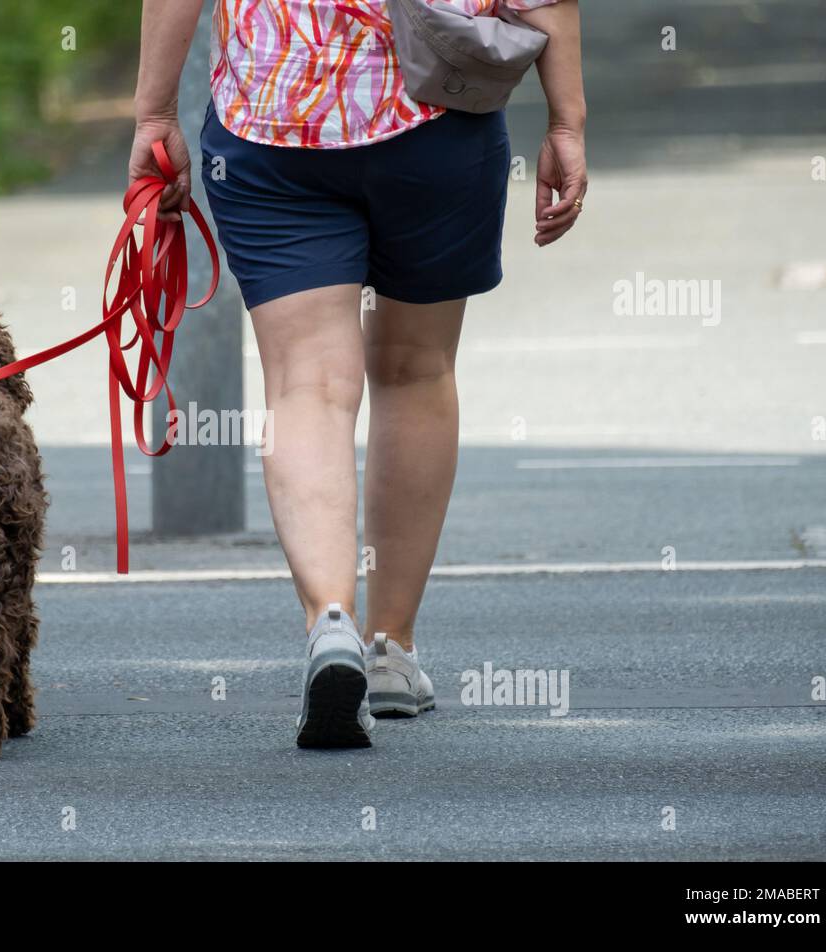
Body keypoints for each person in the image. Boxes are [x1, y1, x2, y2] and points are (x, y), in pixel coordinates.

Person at [131, 0, 587, 748]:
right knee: (416, 371)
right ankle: (390, 652)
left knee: (307, 384)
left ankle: (330, 623)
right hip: (438, 109)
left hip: (271, 116)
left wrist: (154, 113)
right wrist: (566, 122)